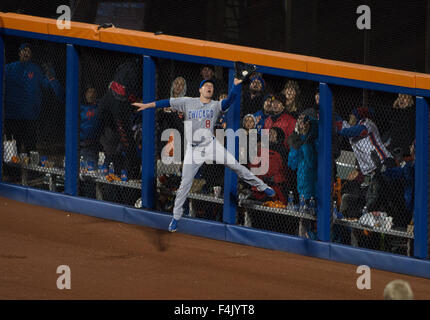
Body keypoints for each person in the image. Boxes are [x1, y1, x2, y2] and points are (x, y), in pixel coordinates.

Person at [133, 77, 276, 232]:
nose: (209, 88)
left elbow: (229, 101)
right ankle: (175, 218)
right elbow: (167, 102)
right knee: (184, 185)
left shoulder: (215, 105)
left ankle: (262, 186)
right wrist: (148, 105)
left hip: (211, 145)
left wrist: (235, 86)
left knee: (236, 165)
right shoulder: (188, 101)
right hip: (193, 150)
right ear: (200, 89)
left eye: (211, 86)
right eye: (206, 85)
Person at [4, 43, 64, 152]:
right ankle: (12, 169)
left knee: (30, 148)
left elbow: (45, 85)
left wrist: (51, 75)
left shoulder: (35, 69)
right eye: (24, 50)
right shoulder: (9, 68)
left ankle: (31, 168)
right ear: (19, 53)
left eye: (28, 51)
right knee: (12, 148)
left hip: (30, 117)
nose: (26, 53)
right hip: (12, 116)